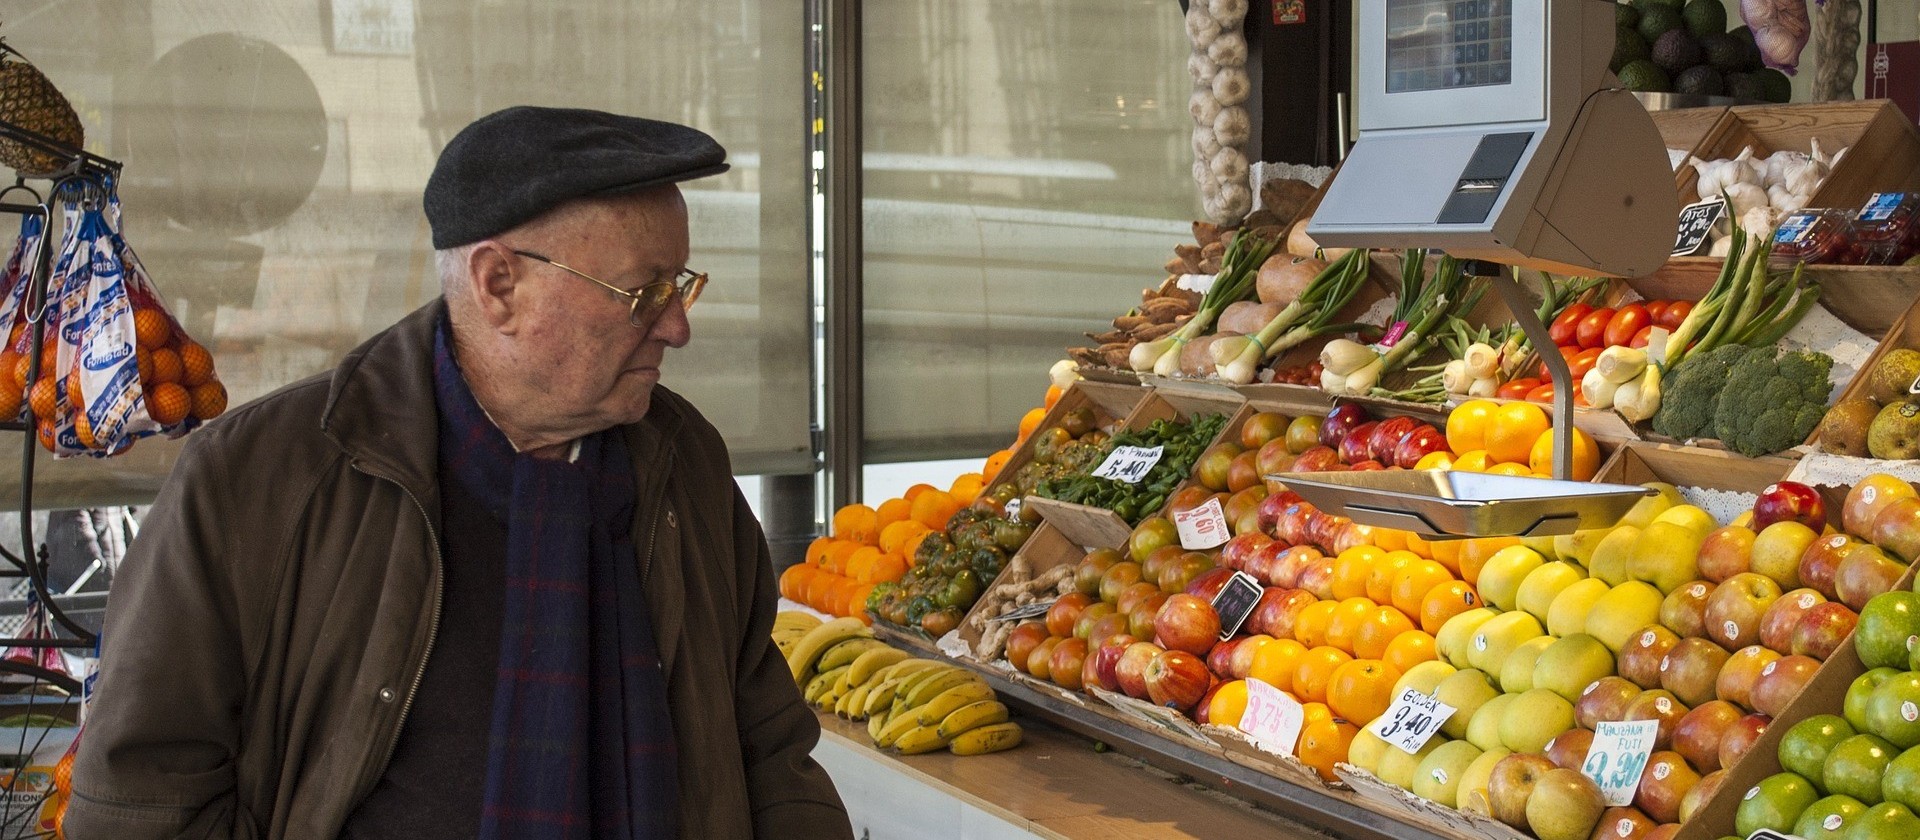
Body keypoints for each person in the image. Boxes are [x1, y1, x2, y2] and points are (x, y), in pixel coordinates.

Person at [65, 107, 854, 840]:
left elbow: (767, 749)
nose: (677, 327)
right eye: (643, 292)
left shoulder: (684, 461)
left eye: (680, 286)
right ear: (499, 285)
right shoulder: (258, 480)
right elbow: (141, 798)